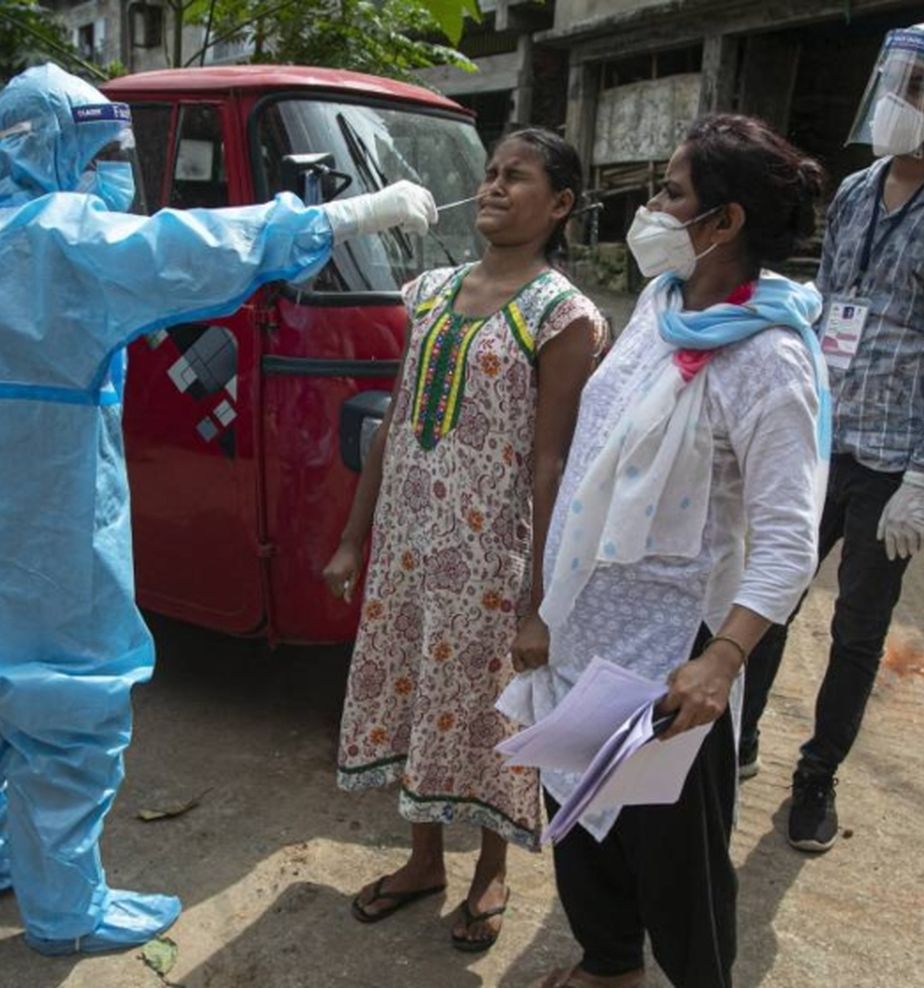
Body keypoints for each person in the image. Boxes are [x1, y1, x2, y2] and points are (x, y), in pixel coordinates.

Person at [0, 63, 435, 956]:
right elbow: (194, 247)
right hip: (37, 532)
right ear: (62, 148)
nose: (115, 172)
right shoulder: (66, 240)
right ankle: (64, 913)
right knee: (66, 719)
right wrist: (347, 215)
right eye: (103, 151)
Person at [499, 113, 829, 988]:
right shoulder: (660, 305)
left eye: (670, 193)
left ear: (723, 224)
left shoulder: (770, 361)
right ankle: (609, 963)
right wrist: (542, 601)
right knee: (578, 805)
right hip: (586, 624)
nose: (650, 207)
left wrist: (722, 660)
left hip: (673, 650)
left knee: (673, 854)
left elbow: (791, 539)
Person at [738, 21, 924, 853]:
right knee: (771, 595)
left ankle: (816, 776)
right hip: (823, 436)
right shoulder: (860, 190)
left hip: (897, 458)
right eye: (897, 80)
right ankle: (742, 738)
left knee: (858, 629)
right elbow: (830, 303)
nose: (905, 100)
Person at [324, 128, 604, 952]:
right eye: (489, 174)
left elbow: (553, 463)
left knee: (489, 715)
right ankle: (421, 862)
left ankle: (490, 872)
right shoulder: (431, 293)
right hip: (410, 548)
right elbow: (396, 424)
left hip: (492, 559)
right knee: (415, 696)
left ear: (558, 206)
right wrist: (353, 537)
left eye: (516, 178)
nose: (493, 187)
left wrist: (543, 601)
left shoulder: (564, 316)